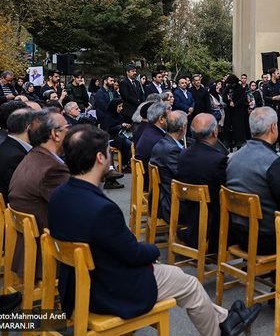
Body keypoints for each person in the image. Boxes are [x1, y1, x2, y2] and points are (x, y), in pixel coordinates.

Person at [48, 124, 260, 336]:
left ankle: (225, 319)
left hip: (79, 284)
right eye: (107, 151)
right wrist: (153, 251)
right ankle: (219, 332)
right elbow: (132, 253)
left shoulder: (60, 194)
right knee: (191, 285)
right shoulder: (101, 209)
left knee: (178, 274)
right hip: (109, 289)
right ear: (100, 158)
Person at [8, 110, 71, 278]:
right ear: (55, 134)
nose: (71, 132)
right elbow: (81, 208)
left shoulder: (33, 157)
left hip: (31, 250)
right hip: (50, 256)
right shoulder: (51, 169)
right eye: (68, 127)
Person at [225, 107, 280, 255]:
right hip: (266, 238)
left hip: (239, 233)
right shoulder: (273, 162)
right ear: (274, 127)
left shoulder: (234, 157)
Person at [176, 113, 228, 253]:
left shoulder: (183, 154)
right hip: (212, 222)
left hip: (190, 215)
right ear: (214, 132)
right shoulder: (218, 160)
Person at [149, 110, 188, 223]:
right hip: (171, 203)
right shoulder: (171, 149)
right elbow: (183, 177)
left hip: (164, 196)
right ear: (183, 127)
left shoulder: (163, 143)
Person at [136, 101, 171, 191]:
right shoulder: (158, 140)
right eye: (169, 117)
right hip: (153, 186)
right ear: (161, 119)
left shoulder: (150, 130)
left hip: (148, 180)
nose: (172, 120)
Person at [261, 69, 280, 152]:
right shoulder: (266, 85)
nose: (279, 75)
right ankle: (272, 145)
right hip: (271, 108)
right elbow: (265, 97)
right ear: (273, 74)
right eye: (277, 73)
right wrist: (273, 98)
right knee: (271, 127)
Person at [222, 75, 248, 152]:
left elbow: (243, 99)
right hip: (229, 110)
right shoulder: (228, 88)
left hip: (238, 111)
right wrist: (228, 100)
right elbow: (224, 96)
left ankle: (239, 143)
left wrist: (235, 104)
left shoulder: (240, 88)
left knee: (238, 127)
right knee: (227, 126)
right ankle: (227, 142)